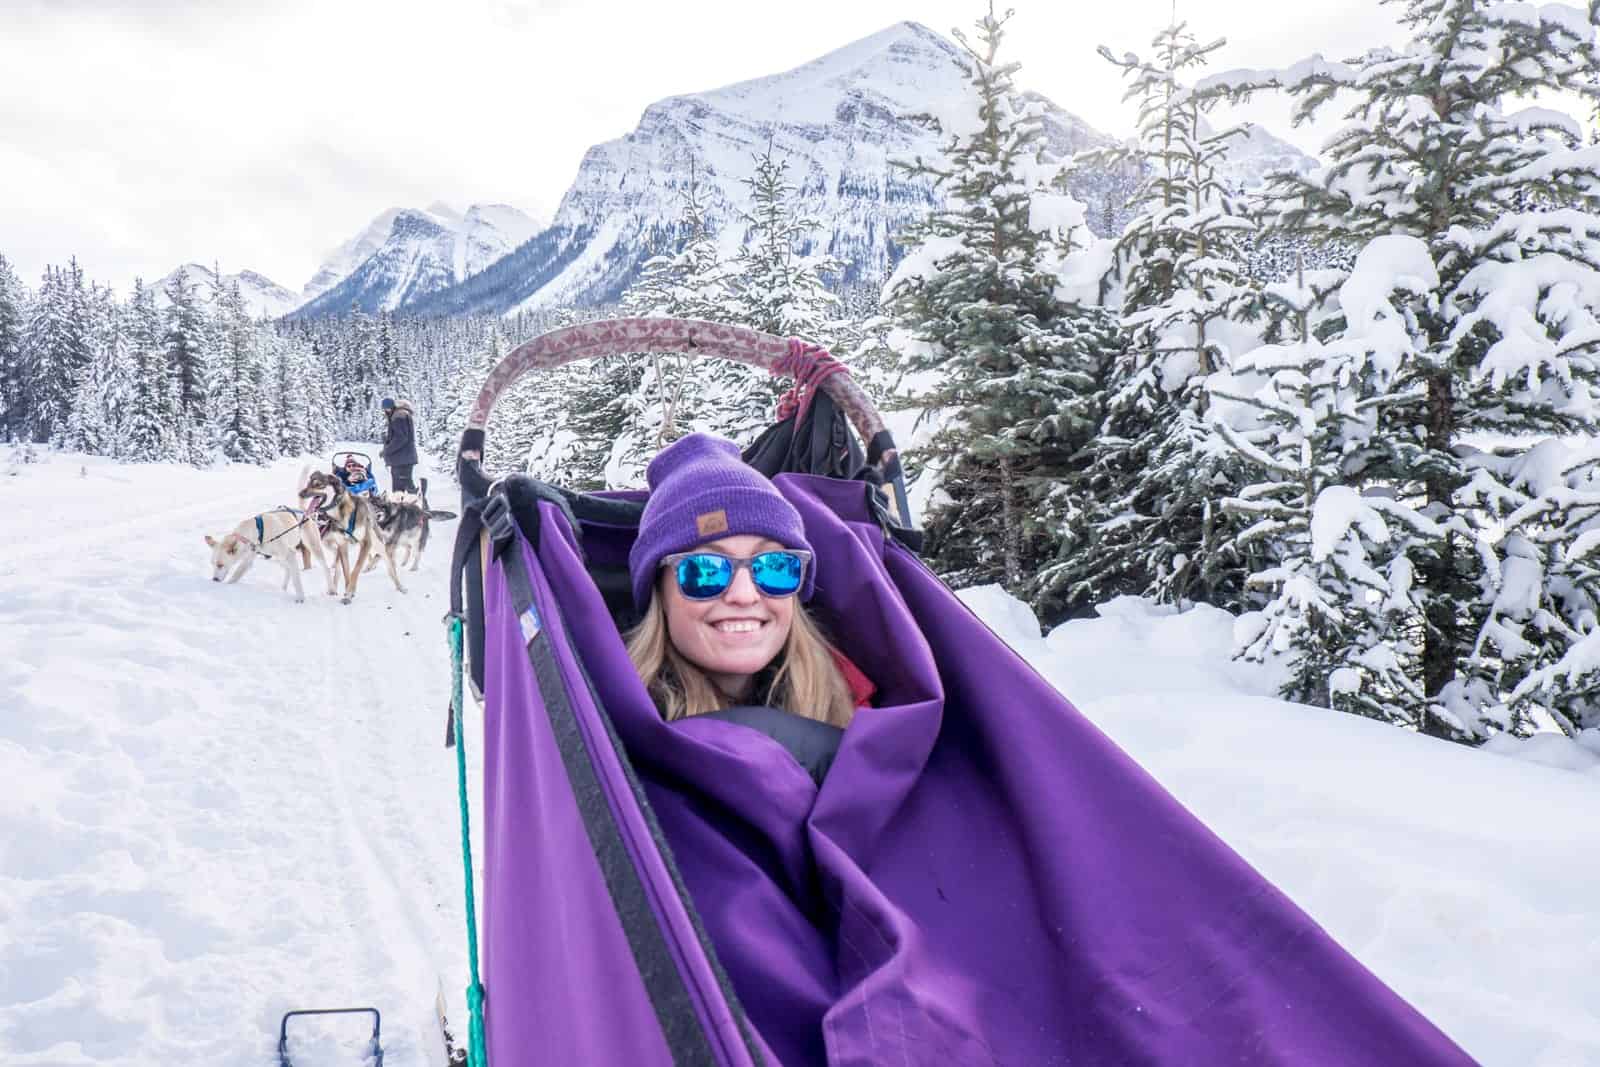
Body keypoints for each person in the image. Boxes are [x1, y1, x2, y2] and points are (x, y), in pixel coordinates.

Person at [624, 433, 874, 784]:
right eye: (706, 570)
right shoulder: (614, 738)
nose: (744, 595)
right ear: (660, 595)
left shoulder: (858, 704)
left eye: (773, 566)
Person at [380, 397, 418, 494]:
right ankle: (415, 503)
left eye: (385, 409)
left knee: (400, 487)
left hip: (401, 459)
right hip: (403, 458)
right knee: (405, 484)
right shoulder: (400, 415)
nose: (385, 411)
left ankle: (413, 505)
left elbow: (400, 438)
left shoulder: (398, 417)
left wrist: (387, 450)